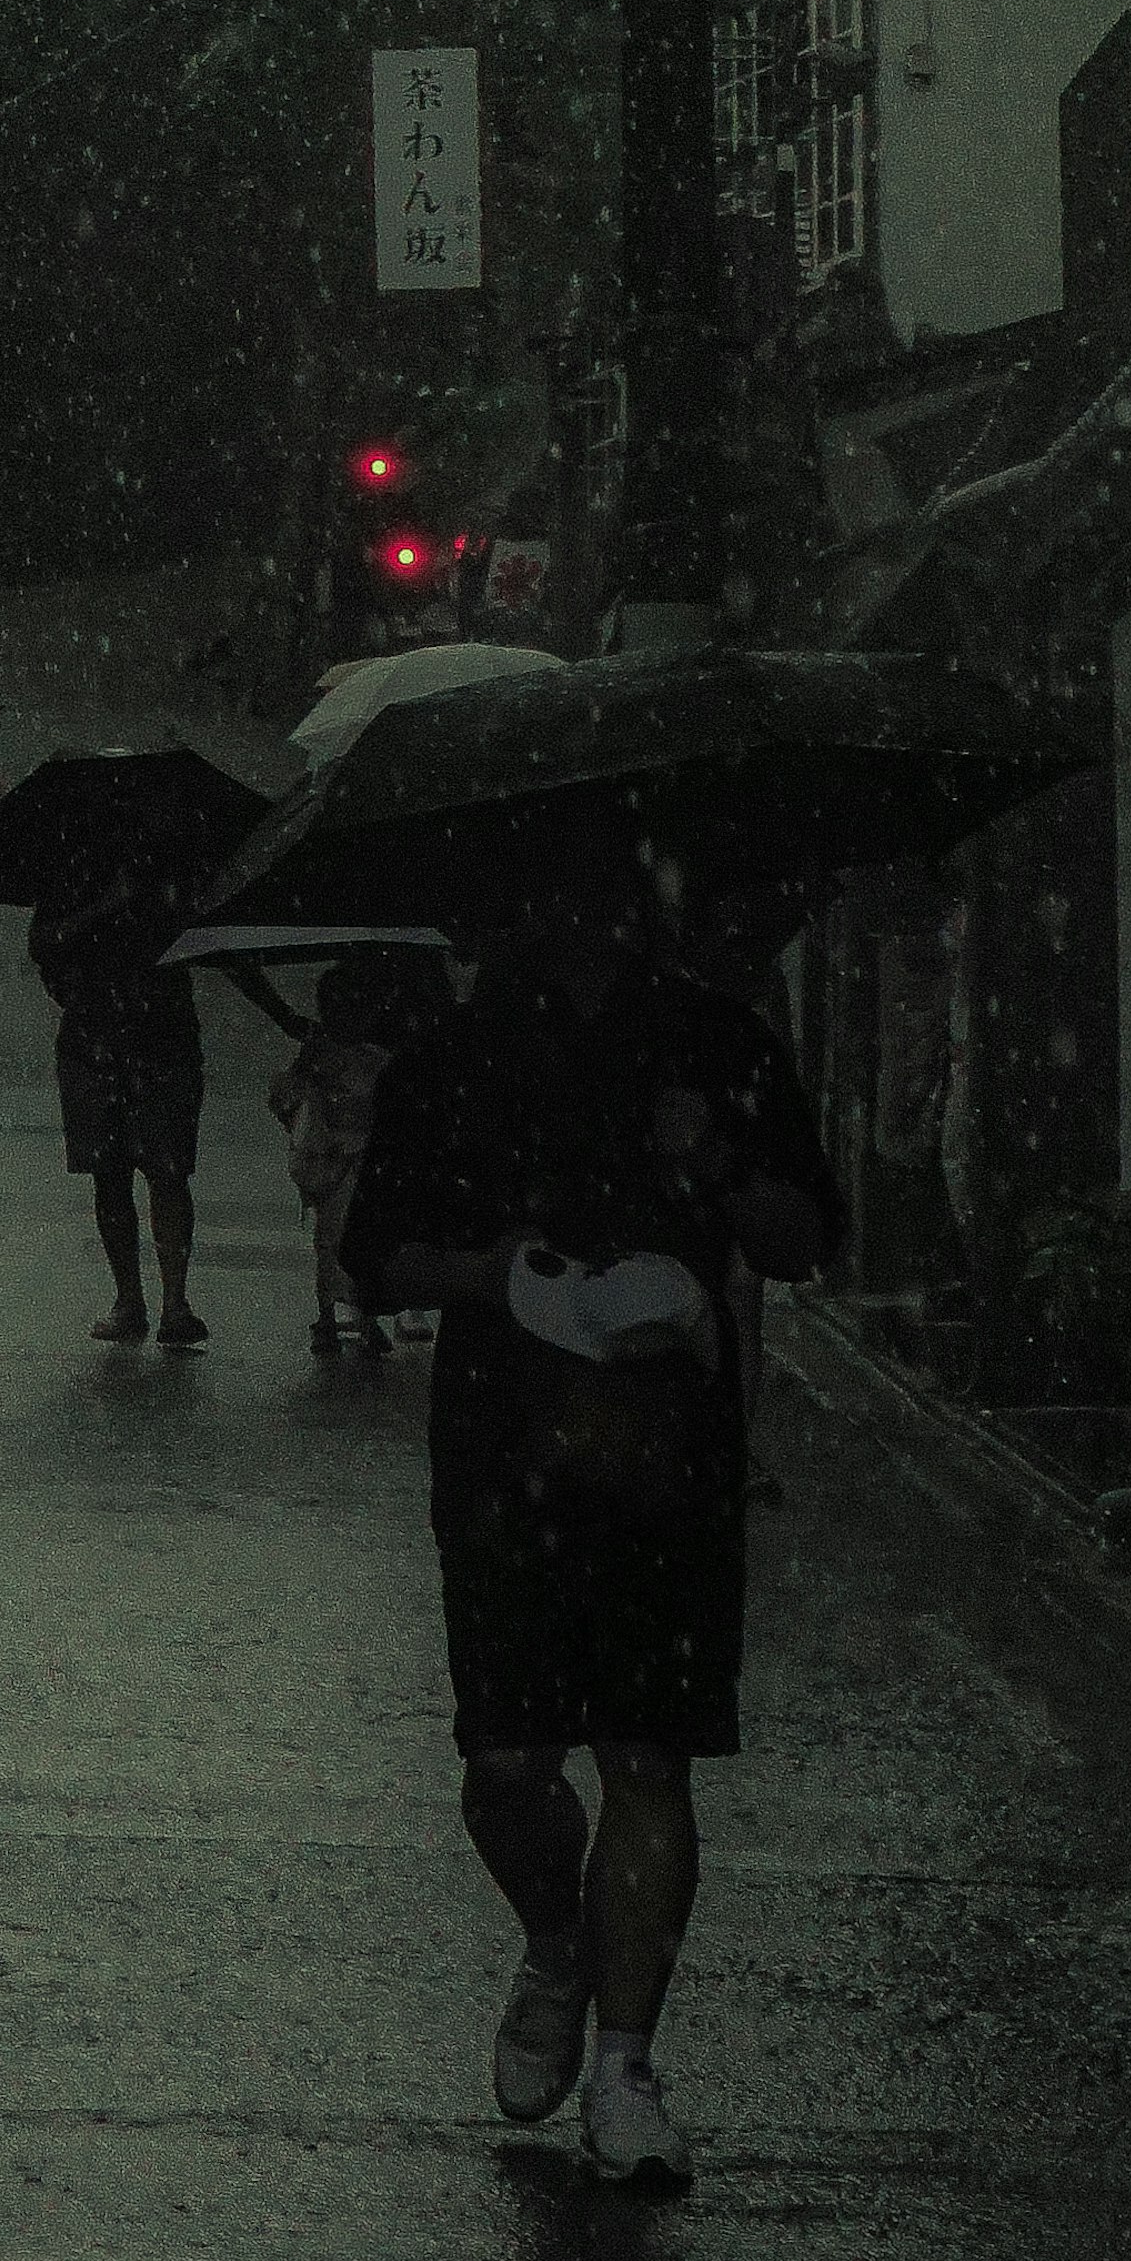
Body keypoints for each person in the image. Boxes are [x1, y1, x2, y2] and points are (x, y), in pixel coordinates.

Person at [346, 825, 840, 2190]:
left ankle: (627, 2063)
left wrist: (717, 1162)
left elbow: (805, 1241)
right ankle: (558, 1942)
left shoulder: (715, 1041)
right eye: (552, 889)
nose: (586, 918)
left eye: (608, 884)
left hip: (668, 1454)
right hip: (505, 1455)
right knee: (509, 1765)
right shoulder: (457, 1061)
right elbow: (376, 1252)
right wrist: (490, 1268)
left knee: (648, 1753)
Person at [29, 863, 210, 1346]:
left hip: (152, 1033)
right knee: (112, 1172)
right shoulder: (74, 869)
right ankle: (133, 1299)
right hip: (103, 1036)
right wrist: (104, 908)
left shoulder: (169, 870)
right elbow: (44, 944)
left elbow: (208, 936)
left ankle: (172, 1301)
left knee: (165, 1170)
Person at [266, 945, 454, 1362]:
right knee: (338, 1240)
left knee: (335, 1241)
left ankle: (342, 1316)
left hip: (341, 1158)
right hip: (346, 1159)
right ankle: (343, 1316)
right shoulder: (363, 1057)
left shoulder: (340, 1054)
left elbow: (287, 1096)